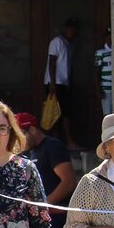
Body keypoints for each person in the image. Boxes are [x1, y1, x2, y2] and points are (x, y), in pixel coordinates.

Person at [44, 18, 81, 149]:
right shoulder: (57, 42)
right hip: (56, 83)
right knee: (58, 113)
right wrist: (53, 83)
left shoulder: (69, 44)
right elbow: (52, 61)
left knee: (65, 113)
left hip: (64, 83)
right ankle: (63, 141)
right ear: (66, 29)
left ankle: (61, 142)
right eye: (71, 29)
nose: (73, 32)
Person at [94, 27, 113, 116]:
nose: (110, 39)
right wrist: (98, 90)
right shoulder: (100, 53)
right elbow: (96, 72)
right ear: (105, 38)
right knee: (107, 114)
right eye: (108, 37)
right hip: (106, 89)